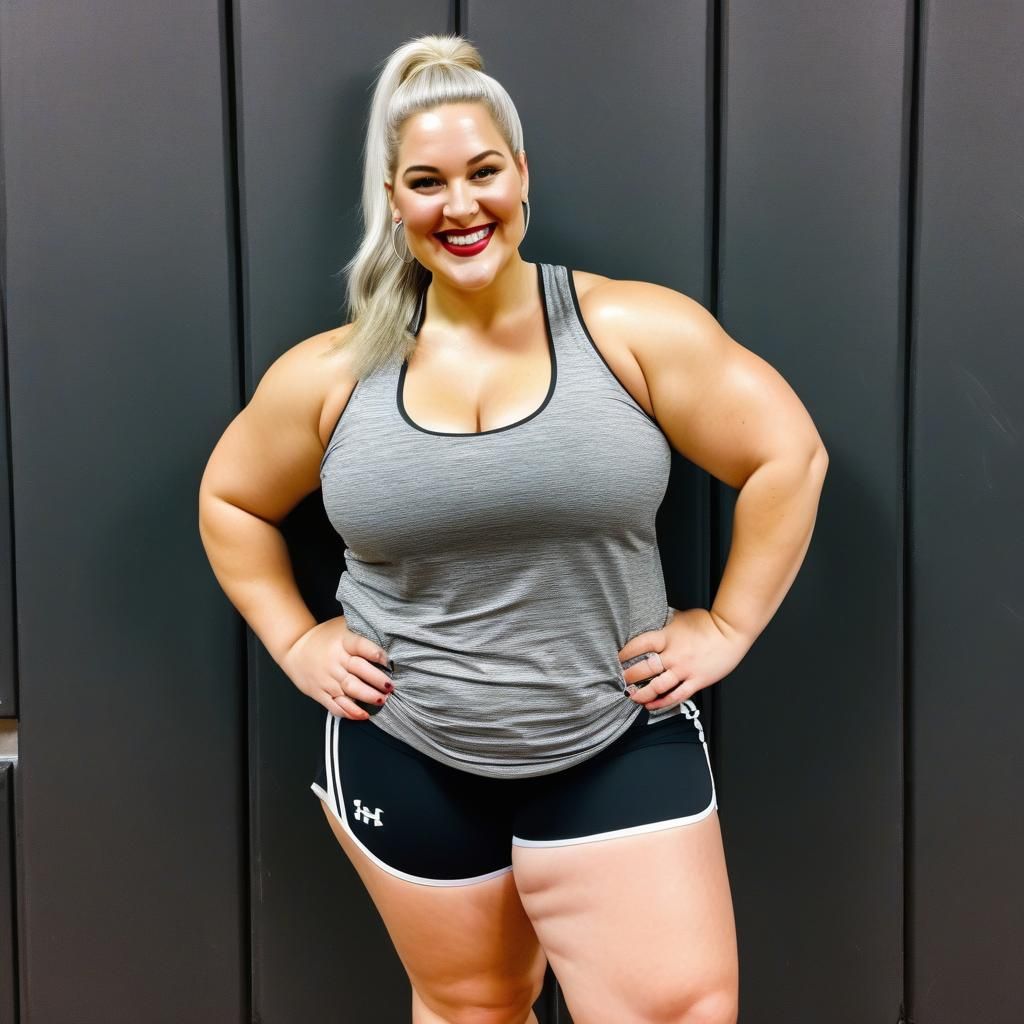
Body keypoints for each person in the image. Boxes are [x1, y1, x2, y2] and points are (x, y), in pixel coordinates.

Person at [198, 31, 828, 1024]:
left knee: (676, 1010)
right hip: (404, 746)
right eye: (427, 181)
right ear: (394, 198)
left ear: (520, 174)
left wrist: (730, 625)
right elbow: (230, 500)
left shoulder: (629, 330)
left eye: (483, 170)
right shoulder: (329, 374)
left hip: (612, 734)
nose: (460, 205)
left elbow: (787, 456)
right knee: (469, 1008)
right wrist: (294, 636)